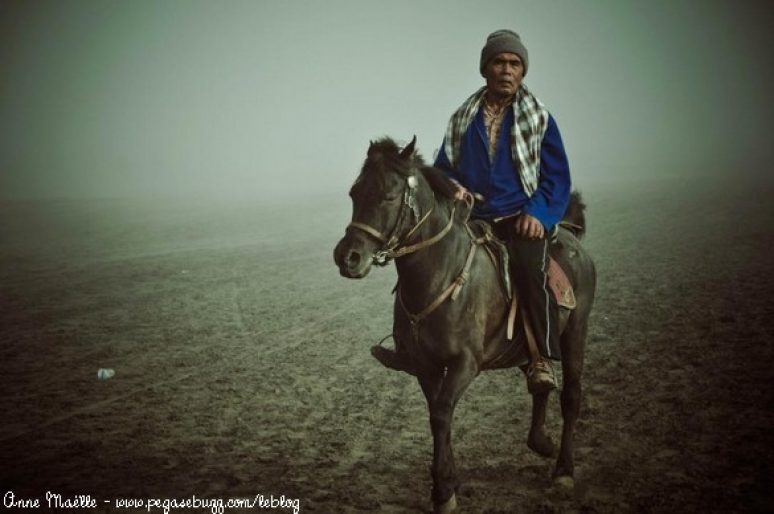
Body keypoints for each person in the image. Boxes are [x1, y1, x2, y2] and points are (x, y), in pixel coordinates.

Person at [373, 30, 571, 393]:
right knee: (419, 261)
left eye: (514, 63)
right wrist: (455, 188)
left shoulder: (540, 119)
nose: (506, 70)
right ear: (485, 69)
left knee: (529, 270)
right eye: (498, 62)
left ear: (523, 72)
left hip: (521, 218)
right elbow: (443, 168)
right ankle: (407, 346)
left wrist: (538, 215)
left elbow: (557, 179)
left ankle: (540, 357)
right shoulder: (463, 119)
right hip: (473, 217)